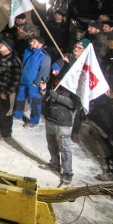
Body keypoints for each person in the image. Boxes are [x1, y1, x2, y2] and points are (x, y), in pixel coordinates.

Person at [39, 55, 81, 187]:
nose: (54, 70)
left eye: (58, 68)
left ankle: (68, 173)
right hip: (50, 117)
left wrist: (57, 97)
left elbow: (74, 103)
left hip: (63, 121)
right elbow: (47, 94)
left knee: (65, 148)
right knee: (51, 144)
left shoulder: (74, 83)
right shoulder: (54, 79)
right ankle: (55, 164)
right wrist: (43, 89)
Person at [13, 36, 51, 127]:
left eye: (34, 42)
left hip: (33, 83)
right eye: (32, 41)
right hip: (23, 80)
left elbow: (44, 71)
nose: (31, 43)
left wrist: (37, 82)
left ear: (40, 44)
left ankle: (34, 121)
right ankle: (17, 114)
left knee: (34, 102)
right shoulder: (28, 51)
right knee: (20, 98)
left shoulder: (44, 56)